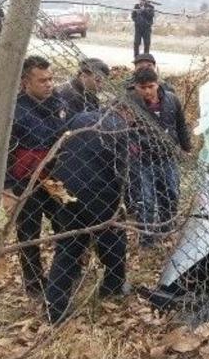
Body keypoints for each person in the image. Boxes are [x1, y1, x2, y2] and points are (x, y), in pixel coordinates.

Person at [44, 105, 130, 323]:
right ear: (125, 112)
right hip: (99, 190)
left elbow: (57, 145)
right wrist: (125, 201)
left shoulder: (79, 117)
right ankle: (113, 286)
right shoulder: (118, 126)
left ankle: (55, 308)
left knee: (68, 246)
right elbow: (122, 169)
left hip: (64, 187)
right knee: (113, 238)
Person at [3, 56, 69, 297]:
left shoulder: (58, 103)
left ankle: (64, 274)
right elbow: (5, 154)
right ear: (25, 82)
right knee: (29, 235)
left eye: (51, 79)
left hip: (55, 179)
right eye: (42, 80)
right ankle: (34, 284)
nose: (49, 84)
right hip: (25, 183)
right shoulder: (15, 112)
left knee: (65, 224)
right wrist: (7, 190)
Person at [130, 67, 192, 247]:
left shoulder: (171, 100)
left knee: (171, 193)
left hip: (167, 158)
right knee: (146, 200)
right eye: (143, 87)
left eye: (151, 86)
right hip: (142, 161)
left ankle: (167, 229)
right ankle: (147, 240)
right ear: (135, 87)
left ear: (158, 83)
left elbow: (180, 125)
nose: (148, 91)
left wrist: (186, 147)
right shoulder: (130, 105)